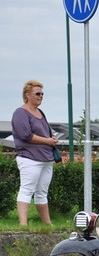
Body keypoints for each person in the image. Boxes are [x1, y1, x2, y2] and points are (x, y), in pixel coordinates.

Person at [11, 80, 58, 226]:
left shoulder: (40, 113)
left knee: (42, 192)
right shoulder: (20, 113)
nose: (41, 96)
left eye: (42, 94)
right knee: (26, 189)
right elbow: (26, 135)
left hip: (46, 158)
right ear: (27, 95)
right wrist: (47, 141)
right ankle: (23, 224)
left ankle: (48, 224)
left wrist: (51, 140)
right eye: (38, 94)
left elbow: (43, 134)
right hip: (29, 158)